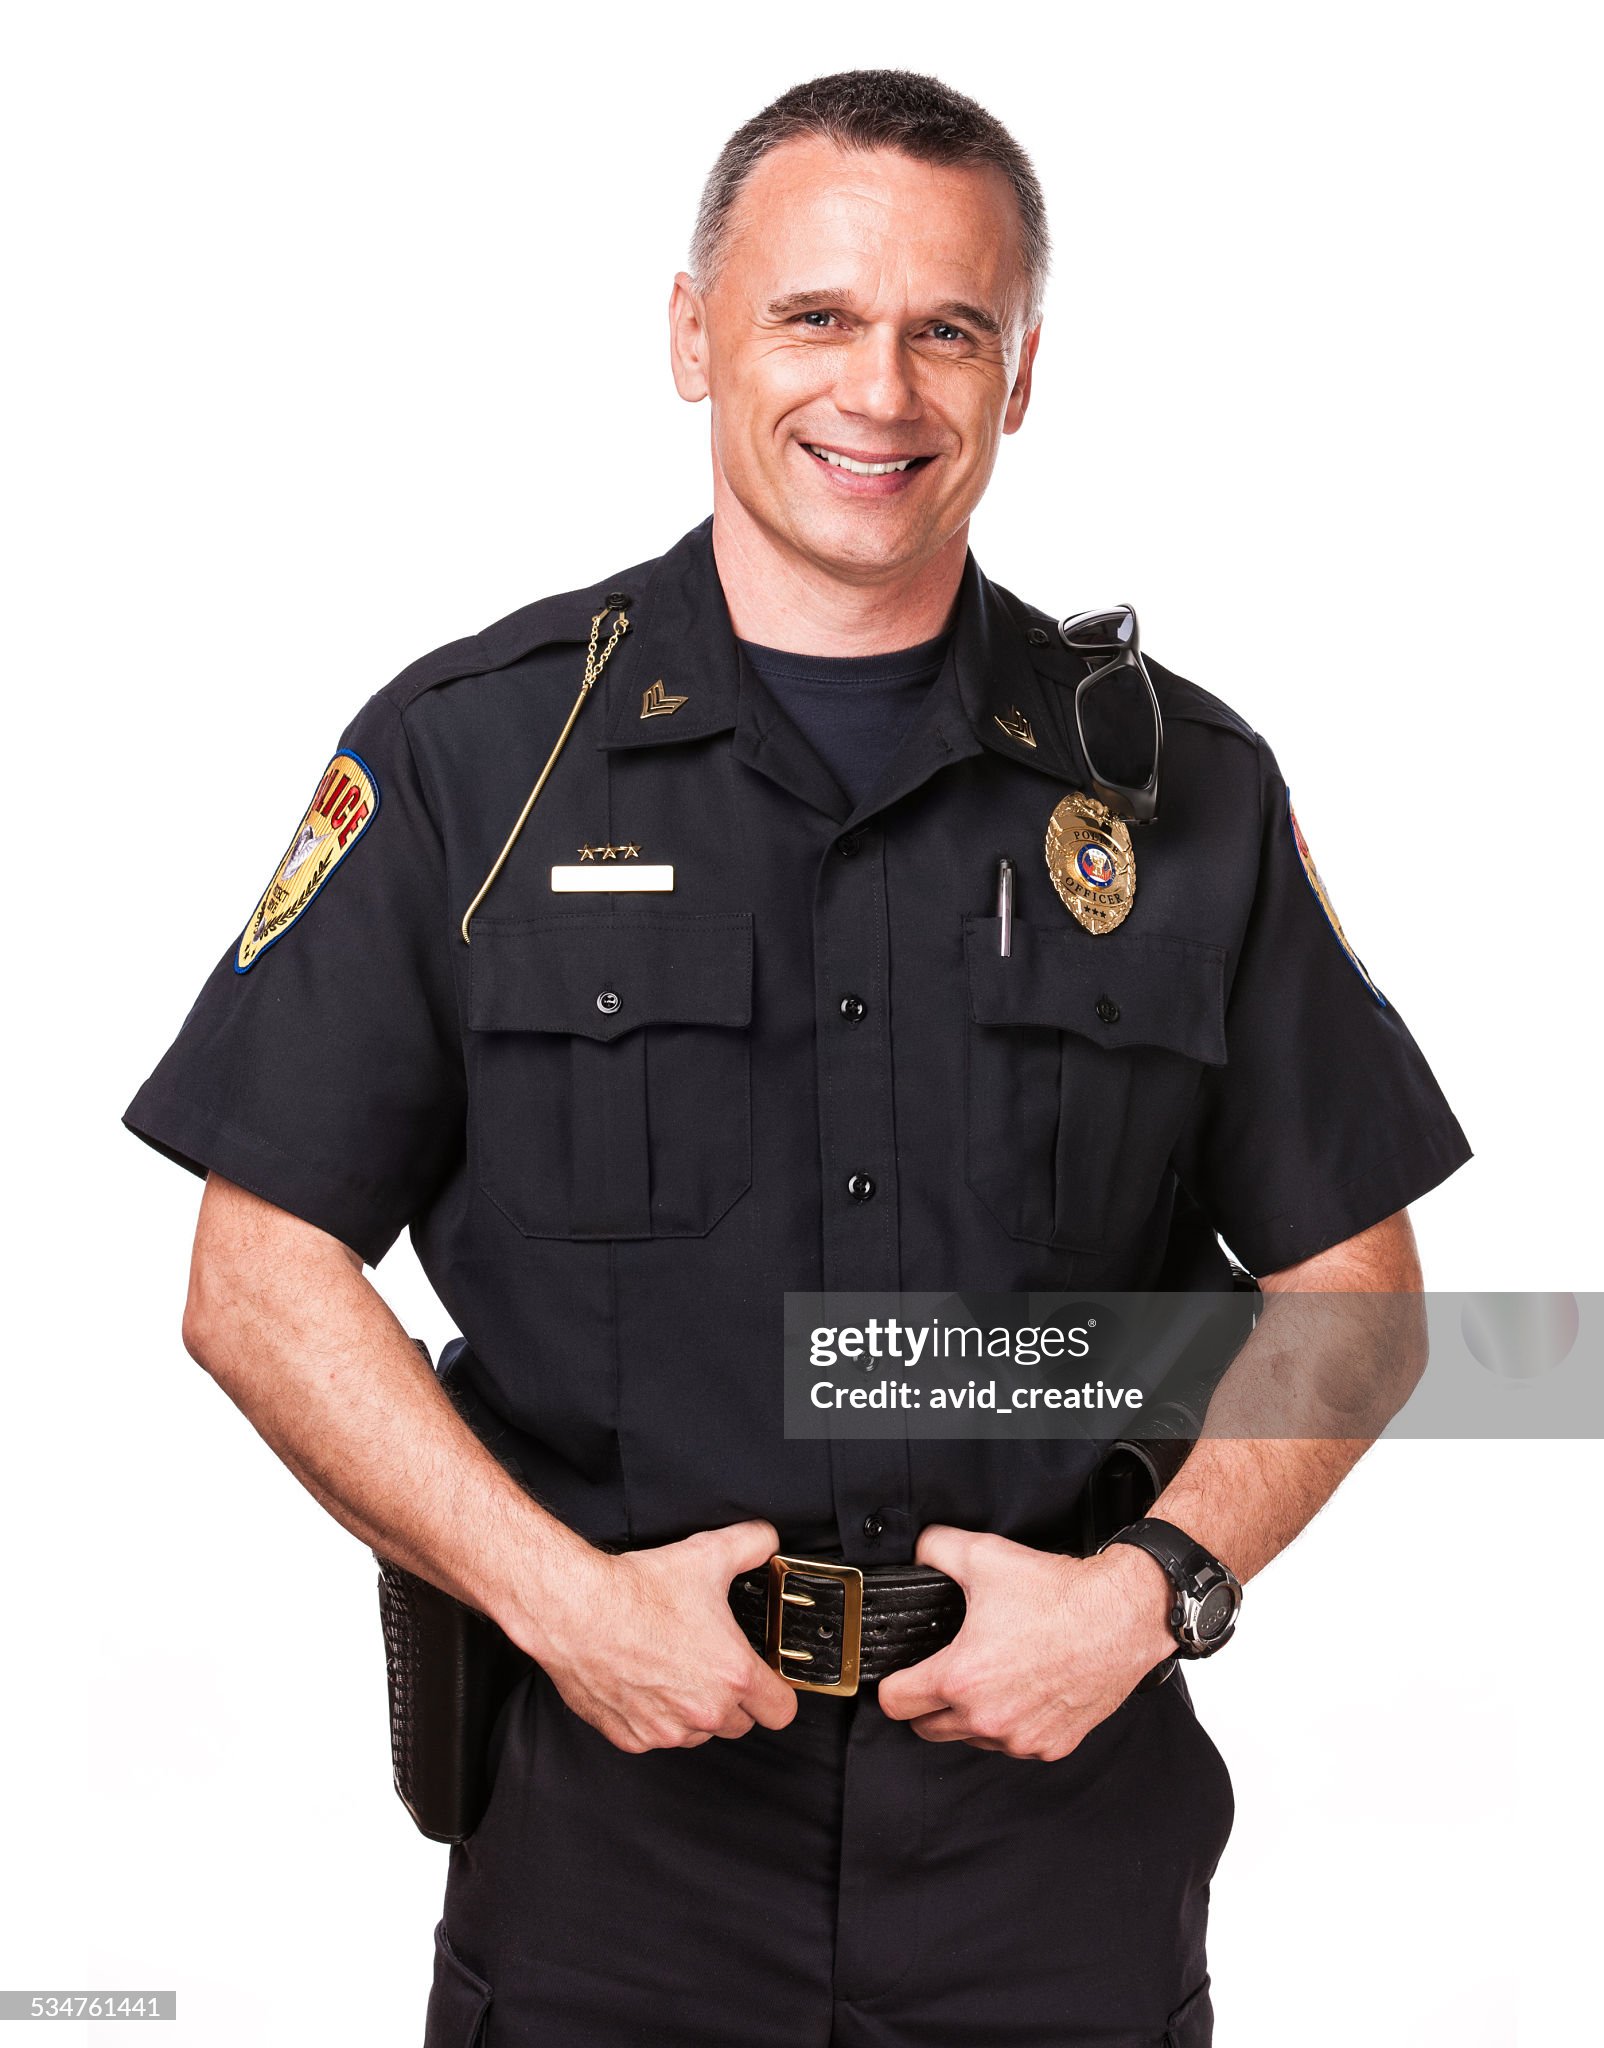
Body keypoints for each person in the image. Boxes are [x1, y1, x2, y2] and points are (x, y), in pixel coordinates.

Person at [123, 68, 1470, 2048]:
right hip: (610, 1858)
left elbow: (1356, 1299)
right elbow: (254, 1279)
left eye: (949, 328)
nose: (883, 389)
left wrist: (1145, 1590)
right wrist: (565, 1604)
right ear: (693, 332)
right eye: (815, 316)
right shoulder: (469, 762)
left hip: (1054, 1855)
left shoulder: (1178, 791)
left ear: (1021, 376)